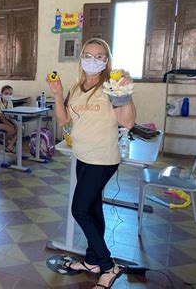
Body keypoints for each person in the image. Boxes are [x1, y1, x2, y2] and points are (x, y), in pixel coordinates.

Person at [46, 38, 136, 289]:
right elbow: (64, 121)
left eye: (99, 56)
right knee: (93, 209)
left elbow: (128, 122)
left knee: (80, 210)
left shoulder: (112, 85)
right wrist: (58, 94)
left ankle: (109, 266)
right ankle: (93, 260)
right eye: (88, 55)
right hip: (83, 156)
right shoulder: (77, 87)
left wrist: (124, 93)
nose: (93, 60)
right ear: (81, 57)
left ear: (107, 60)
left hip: (102, 159)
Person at [0, 85, 18, 153]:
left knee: (20, 128)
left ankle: (10, 145)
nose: (8, 95)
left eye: (10, 94)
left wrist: (16, 124)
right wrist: (11, 125)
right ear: (1, 94)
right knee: (12, 130)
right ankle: (5, 142)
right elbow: (2, 118)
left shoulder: (10, 102)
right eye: (6, 93)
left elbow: (11, 115)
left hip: (5, 120)